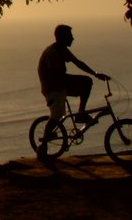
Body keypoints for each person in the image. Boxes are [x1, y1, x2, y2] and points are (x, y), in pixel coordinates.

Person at [36, 24, 109, 158]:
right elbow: (57, 75)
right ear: (63, 37)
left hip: (61, 84)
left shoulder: (62, 49)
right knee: (56, 116)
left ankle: (80, 113)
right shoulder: (52, 53)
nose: (73, 39)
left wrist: (95, 74)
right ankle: (43, 146)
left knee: (86, 82)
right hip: (53, 88)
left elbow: (78, 63)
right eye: (70, 36)